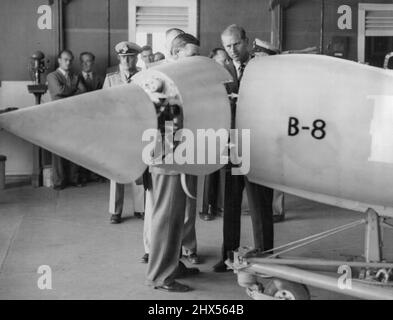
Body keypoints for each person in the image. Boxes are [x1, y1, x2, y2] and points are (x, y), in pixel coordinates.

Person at [213, 25, 274, 273]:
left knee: (260, 204)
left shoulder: (264, 68)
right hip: (232, 146)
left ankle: (267, 258)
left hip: (258, 146)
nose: (233, 50)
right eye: (228, 46)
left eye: (237, 44)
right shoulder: (222, 71)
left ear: (246, 42)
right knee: (231, 203)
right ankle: (228, 256)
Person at [146, 33, 201, 292]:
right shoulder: (159, 78)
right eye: (190, 55)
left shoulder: (180, 77)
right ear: (175, 52)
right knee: (165, 218)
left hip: (180, 156)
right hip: (166, 158)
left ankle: (173, 264)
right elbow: (158, 120)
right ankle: (160, 276)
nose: (194, 61)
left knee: (177, 217)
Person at [103, 41, 145, 224]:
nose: (127, 61)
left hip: (138, 129)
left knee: (139, 170)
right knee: (116, 171)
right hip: (118, 130)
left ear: (136, 58)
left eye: (130, 57)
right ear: (119, 59)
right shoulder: (111, 79)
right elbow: (104, 105)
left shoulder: (144, 76)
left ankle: (140, 208)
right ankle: (115, 211)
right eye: (123, 58)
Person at [47, 49, 87, 190]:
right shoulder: (52, 76)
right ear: (59, 60)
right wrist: (73, 89)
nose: (68, 62)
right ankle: (59, 182)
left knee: (75, 148)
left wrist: (68, 89)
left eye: (70, 60)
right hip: (58, 117)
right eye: (65, 59)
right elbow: (58, 91)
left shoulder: (75, 76)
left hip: (74, 116)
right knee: (58, 149)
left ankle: (74, 178)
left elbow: (83, 93)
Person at [199, 48, 229, 221]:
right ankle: (207, 208)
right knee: (211, 171)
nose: (226, 64)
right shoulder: (206, 82)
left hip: (228, 130)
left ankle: (222, 205)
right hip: (212, 129)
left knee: (228, 171)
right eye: (222, 61)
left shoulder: (229, 80)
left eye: (227, 61)